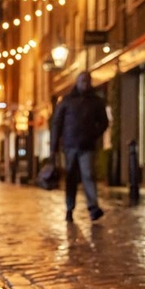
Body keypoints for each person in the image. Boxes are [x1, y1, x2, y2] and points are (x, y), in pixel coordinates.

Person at [50, 71, 109, 222]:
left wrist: (93, 134)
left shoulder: (95, 101)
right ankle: (70, 208)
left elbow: (103, 122)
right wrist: (54, 146)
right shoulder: (67, 101)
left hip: (87, 145)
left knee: (88, 175)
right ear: (77, 82)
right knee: (71, 178)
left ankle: (93, 207)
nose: (84, 83)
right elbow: (56, 123)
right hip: (70, 146)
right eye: (82, 81)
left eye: (87, 81)